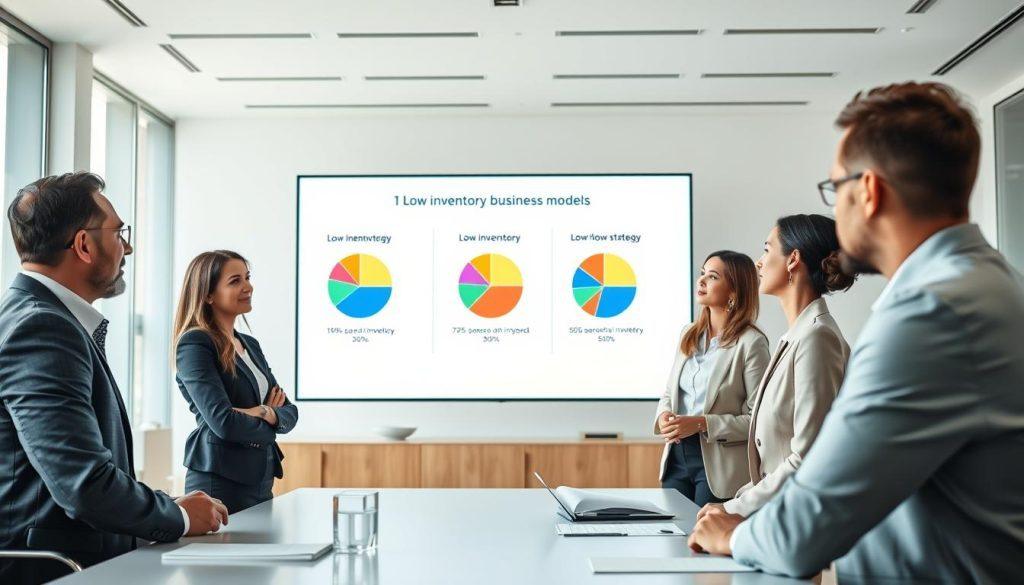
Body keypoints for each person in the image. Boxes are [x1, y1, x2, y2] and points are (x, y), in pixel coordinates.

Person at [688, 82, 1024, 584]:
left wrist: (731, 535)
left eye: (834, 189)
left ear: (868, 191)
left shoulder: (932, 313)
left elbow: (810, 525)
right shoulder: (982, 284)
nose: (835, 211)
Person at [0, 172, 227, 584]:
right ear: (84, 245)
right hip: (57, 571)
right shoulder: (42, 329)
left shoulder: (42, 318)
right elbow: (83, 484)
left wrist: (164, 506)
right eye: (119, 232)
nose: (129, 247)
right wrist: (176, 516)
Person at [698, 215, 854, 520]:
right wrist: (740, 497)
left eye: (767, 250)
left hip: (791, 520)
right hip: (772, 513)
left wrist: (731, 509)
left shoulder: (817, 338)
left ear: (793, 259)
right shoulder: (797, 335)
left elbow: (807, 457)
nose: (758, 262)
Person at [174, 250, 298, 514]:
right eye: (235, 281)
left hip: (260, 479)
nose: (248, 287)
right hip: (220, 483)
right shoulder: (196, 343)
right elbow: (223, 423)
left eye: (247, 277)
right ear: (207, 294)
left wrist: (264, 412)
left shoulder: (249, 344)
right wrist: (270, 420)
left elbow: (289, 411)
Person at [655, 251, 770, 506]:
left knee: (703, 543)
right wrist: (664, 416)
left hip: (719, 469)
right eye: (702, 273)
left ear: (733, 291)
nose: (702, 281)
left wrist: (701, 423)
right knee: (671, 541)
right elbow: (669, 394)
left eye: (713, 276)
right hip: (676, 458)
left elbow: (757, 421)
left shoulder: (751, 343)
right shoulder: (688, 334)